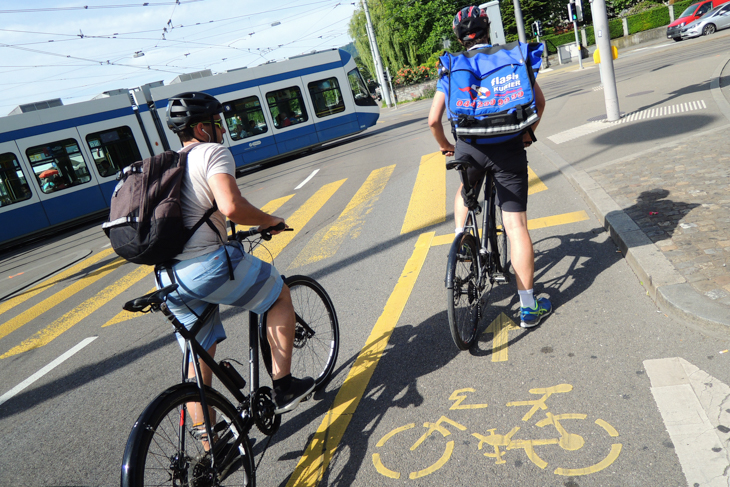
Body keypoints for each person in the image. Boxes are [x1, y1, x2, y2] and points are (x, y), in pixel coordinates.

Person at [158, 91, 315, 414]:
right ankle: (284, 387)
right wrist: (269, 220)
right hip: (208, 266)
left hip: (168, 277)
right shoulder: (211, 153)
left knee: (198, 359)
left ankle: (209, 448)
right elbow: (231, 206)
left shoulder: (169, 163)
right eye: (219, 123)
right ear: (202, 129)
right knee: (279, 295)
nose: (225, 130)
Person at [427, 6, 552, 329]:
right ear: (488, 31)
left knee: (464, 190)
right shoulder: (511, 56)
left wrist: (446, 146)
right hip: (509, 148)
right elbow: (538, 103)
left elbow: (433, 120)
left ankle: (462, 240)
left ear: (459, 38)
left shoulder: (453, 66)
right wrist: (527, 134)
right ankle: (528, 308)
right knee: (516, 227)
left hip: (470, 148)